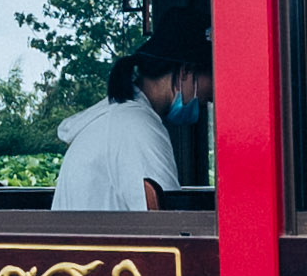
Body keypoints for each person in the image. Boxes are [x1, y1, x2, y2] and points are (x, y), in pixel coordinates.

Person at [51, 34, 209, 211]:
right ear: (186, 72)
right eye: (208, 97)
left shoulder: (116, 118)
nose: (206, 102)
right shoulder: (136, 125)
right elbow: (169, 224)